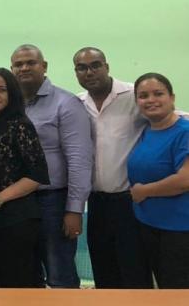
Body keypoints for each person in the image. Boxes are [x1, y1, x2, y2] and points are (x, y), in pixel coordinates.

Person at [10, 44, 93, 289]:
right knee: (25, 274)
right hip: (17, 202)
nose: (24, 68)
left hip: (53, 202)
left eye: (31, 62)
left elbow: (79, 159)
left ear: (44, 66)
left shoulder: (66, 103)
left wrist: (74, 210)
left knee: (60, 275)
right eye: (18, 64)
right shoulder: (9, 104)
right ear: (12, 69)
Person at [73, 47, 153, 289]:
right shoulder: (76, 103)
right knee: (104, 271)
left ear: (106, 67)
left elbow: (169, 114)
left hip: (130, 202)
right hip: (96, 202)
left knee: (135, 272)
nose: (89, 72)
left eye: (95, 65)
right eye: (82, 68)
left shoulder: (133, 95)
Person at [0, 68, 50, 288]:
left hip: (16, 218)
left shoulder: (20, 124)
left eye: (1, 90)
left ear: (12, 93)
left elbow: (36, 176)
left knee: (19, 284)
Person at [127, 73, 189, 288]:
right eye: (143, 96)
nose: (151, 100)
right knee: (163, 288)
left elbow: (185, 180)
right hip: (149, 225)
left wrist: (144, 191)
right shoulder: (147, 131)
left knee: (178, 292)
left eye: (158, 93)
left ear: (172, 98)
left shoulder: (184, 132)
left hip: (179, 231)